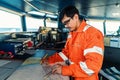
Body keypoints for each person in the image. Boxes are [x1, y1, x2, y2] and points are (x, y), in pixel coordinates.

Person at [45, 5, 104, 80]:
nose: (66, 26)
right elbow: (66, 53)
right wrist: (50, 60)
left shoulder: (92, 33)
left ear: (76, 17)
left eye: (67, 22)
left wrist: (64, 70)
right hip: (74, 75)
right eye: (64, 24)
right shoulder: (72, 33)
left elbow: (92, 66)